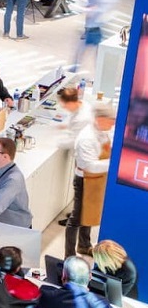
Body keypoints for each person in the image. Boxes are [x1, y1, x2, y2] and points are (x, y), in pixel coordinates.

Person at [66, 103, 115, 257]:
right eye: (110, 120)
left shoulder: (103, 131)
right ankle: (69, 255)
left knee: (89, 213)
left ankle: (84, 245)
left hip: (98, 179)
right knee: (77, 218)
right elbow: (89, 166)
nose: (113, 124)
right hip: (85, 180)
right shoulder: (86, 138)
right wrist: (113, 164)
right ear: (100, 119)